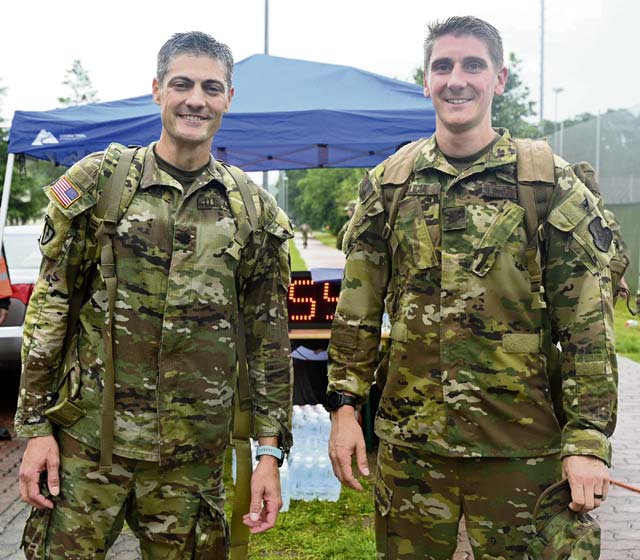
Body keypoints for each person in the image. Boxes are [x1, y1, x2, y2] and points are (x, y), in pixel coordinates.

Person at [327, 16, 617, 559]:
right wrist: (345, 409)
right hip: (413, 448)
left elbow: (587, 325)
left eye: (472, 65)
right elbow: (357, 311)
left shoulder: (546, 182)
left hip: (521, 448)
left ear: (499, 78)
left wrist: (587, 441)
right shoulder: (390, 184)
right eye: (442, 66)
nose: (456, 79)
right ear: (426, 80)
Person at [15, 31, 293, 559]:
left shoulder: (251, 210)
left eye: (211, 88)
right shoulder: (98, 184)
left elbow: (268, 342)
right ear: (157, 90)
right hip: (87, 447)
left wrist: (269, 453)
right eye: (182, 84)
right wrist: (35, 428)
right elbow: (51, 308)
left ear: (228, 98)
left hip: (191, 461)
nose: (196, 100)